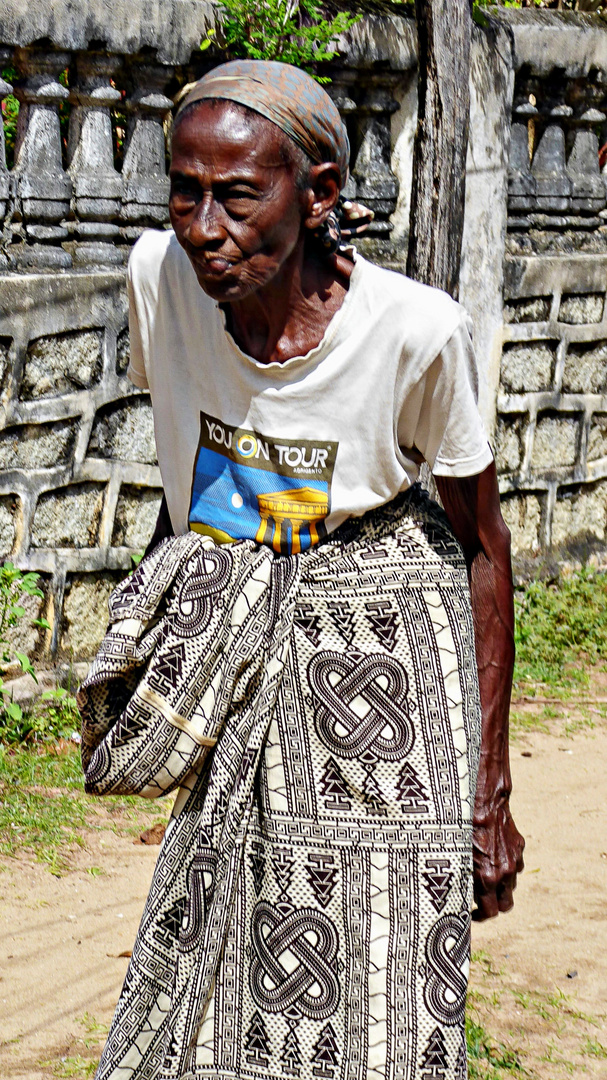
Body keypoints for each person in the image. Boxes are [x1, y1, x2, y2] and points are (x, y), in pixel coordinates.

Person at [80, 59, 524, 1080]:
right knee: (217, 899)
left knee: (385, 924)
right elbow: (190, 456)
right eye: (183, 192)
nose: (202, 226)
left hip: (376, 633)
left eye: (236, 195)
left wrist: (486, 790)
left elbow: (483, 550)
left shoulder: (415, 334)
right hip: (233, 608)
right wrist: (178, 619)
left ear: (317, 195)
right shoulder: (162, 279)